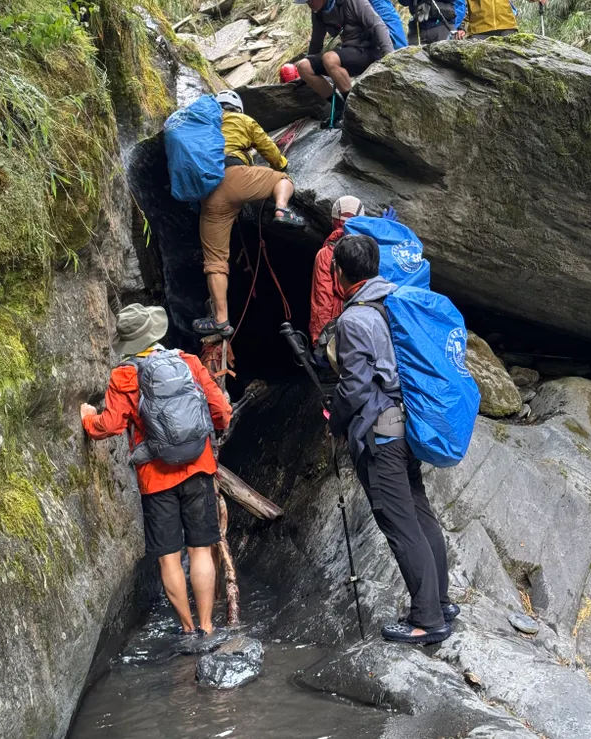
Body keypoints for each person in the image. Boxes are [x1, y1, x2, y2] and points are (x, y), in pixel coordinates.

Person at [329, 235, 457, 645]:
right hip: (409, 424)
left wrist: (335, 419)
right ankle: (441, 602)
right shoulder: (397, 300)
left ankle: (427, 620)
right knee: (420, 514)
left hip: (381, 432)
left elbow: (354, 386)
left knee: (401, 525)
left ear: (339, 273)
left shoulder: (353, 319)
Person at [80, 303, 232, 636]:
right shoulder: (187, 362)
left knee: (169, 558)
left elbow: (110, 425)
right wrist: (213, 432)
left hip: (156, 478)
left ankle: (188, 629)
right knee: (201, 549)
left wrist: (87, 418)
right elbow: (220, 409)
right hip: (199, 467)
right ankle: (207, 626)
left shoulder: (124, 375)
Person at [194, 90, 305, 339]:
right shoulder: (241, 120)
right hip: (236, 176)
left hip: (209, 194)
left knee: (215, 261)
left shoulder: (201, 125)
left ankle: (220, 321)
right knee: (282, 180)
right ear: (237, 107)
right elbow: (267, 147)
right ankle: (282, 209)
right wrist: (281, 165)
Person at [295, 0, 394, 126]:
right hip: (349, 52)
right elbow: (316, 42)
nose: (309, 3)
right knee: (303, 66)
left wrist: (390, 57)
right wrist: (305, 76)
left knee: (329, 58)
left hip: (369, 51)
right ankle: (339, 108)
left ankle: (352, 111)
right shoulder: (318, 12)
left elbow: (377, 25)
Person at [309, 196, 366, 348]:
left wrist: (320, 341)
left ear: (333, 221)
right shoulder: (372, 249)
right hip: (370, 325)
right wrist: (386, 228)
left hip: (339, 327)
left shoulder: (326, 254)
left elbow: (323, 299)